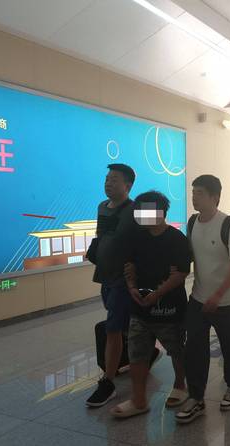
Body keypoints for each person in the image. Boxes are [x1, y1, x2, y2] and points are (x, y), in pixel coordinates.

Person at [175, 175, 230, 424]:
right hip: (199, 298)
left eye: (199, 193)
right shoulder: (192, 222)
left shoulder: (229, 225)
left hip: (228, 301)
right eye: (193, 192)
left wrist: (218, 295)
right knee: (194, 348)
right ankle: (196, 397)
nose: (194, 197)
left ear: (214, 197)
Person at [110, 191, 191, 418]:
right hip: (139, 308)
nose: (140, 216)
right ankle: (139, 400)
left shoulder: (177, 239)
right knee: (137, 353)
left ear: (160, 212)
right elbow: (129, 266)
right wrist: (132, 288)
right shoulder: (137, 237)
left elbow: (180, 273)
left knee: (177, 350)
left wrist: (156, 294)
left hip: (169, 309)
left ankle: (180, 386)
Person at [86, 163, 137, 407]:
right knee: (120, 323)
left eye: (114, 179)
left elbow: (152, 236)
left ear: (128, 185)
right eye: (107, 179)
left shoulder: (137, 210)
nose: (108, 183)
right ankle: (147, 353)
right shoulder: (101, 207)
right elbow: (102, 236)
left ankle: (108, 382)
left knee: (113, 328)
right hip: (105, 275)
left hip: (124, 280)